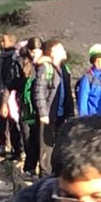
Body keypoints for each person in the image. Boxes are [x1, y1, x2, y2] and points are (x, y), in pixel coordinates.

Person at [27, 42, 66, 174]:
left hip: (58, 114)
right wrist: (43, 113)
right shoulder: (45, 68)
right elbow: (38, 91)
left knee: (53, 145)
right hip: (48, 114)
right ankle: (44, 176)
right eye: (60, 49)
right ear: (53, 52)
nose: (64, 51)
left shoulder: (62, 68)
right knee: (45, 147)